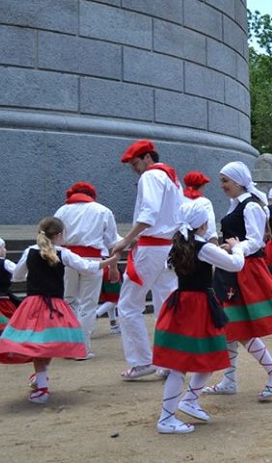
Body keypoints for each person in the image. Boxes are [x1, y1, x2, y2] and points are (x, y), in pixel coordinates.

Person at [0, 217, 117, 403]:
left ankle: (41, 382)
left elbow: (17, 276)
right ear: (59, 235)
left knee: (37, 344)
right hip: (55, 307)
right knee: (47, 344)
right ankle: (41, 382)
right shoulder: (63, 253)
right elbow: (87, 267)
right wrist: (110, 261)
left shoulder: (30, 252)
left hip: (33, 305)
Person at [153, 200, 245, 434]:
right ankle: (166, 418)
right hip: (199, 306)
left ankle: (189, 401)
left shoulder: (179, 244)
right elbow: (236, 264)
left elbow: (171, 267)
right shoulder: (202, 246)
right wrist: (237, 247)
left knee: (208, 356)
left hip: (183, 302)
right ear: (203, 224)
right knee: (185, 363)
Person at [203, 161, 272, 400]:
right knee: (229, 328)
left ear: (239, 180)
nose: (222, 185)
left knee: (237, 328)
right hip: (234, 267)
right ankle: (230, 380)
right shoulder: (240, 204)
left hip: (244, 270)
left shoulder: (250, 206)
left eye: (225, 181)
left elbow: (255, 240)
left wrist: (234, 247)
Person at [111, 139, 182, 380]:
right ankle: (169, 360)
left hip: (152, 247)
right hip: (170, 248)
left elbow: (149, 213)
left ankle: (141, 361)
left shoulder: (151, 177)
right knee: (166, 303)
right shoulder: (173, 180)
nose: (134, 168)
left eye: (135, 163)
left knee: (129, 305)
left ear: (147, 158)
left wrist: (126, 240)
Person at [54, 181, 121, 359]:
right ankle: (83, 346)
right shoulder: (102, 210)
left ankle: (70, 344)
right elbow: (112, 242)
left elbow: (54, 238)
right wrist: (113, 266)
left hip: (67, 259)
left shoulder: (62, 210)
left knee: (69, 301)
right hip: (92, 259)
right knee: (88, 305)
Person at [182, 171, 218, 244]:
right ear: (201, 186)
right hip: (199, 245)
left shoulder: (178, 199)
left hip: (179, 244)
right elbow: (210, 230)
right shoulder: (205, 202)